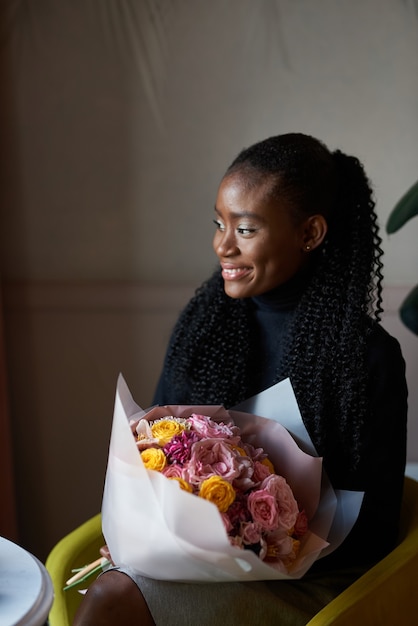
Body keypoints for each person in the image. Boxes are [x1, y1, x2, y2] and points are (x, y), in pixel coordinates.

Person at [74, 133, 408, 625]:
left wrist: (255, 542)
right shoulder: (204, 328)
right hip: (195, 567)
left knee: (113, 599)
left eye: (246, 229)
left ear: (310, 233)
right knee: (115, 587)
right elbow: (149, 460)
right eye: (219, 223)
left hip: (313, 585)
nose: (222, 246)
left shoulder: (366, 357)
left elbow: (375, 528)